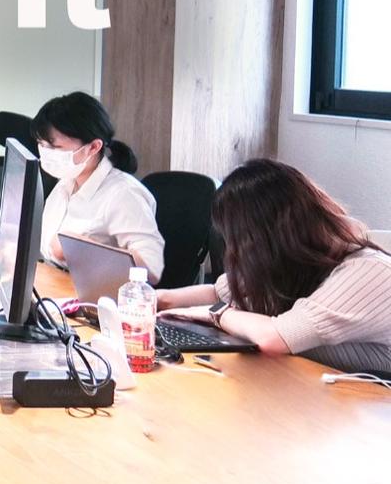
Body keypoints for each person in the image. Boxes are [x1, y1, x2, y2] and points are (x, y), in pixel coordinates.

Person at [157, 159, 391, 374]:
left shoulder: (369, 273)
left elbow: (274, 338)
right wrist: (158, 299)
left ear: (265, 238)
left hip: (373, 399)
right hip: (317, 382)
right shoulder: (302, 260)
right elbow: (220, 292)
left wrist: (217, 314)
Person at [32, 91, 164, 281]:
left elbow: (152, 270)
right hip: (56, 283)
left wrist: (85, 251)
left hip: (97, 294)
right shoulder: (66, 182)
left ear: (93, 147)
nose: (46, 153)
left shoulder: (124, 194)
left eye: (55, 147)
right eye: (41, 144)